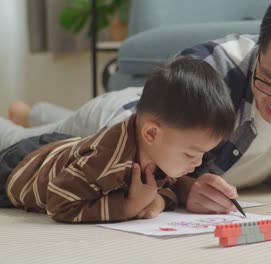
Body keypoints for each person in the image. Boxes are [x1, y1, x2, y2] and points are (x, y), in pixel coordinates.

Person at [6, 0, 271, 214]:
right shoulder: (214, 65)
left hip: (135, 118)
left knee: (58, 117)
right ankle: (25, 121)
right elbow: (140, 146)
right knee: (30, 142)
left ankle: (33, 109)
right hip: (121, 118)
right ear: (259, 48)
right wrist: (186, 189)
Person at [0, 57, 236, 222]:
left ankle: (27, 113)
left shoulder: (160, 150)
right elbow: (59, 203)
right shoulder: (105, 164)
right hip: (21, 169)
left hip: (65, 149)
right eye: (190, 154)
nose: (196, 164)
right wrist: (129, 206)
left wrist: (159, 201)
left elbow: (168, 186)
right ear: (151, 133)